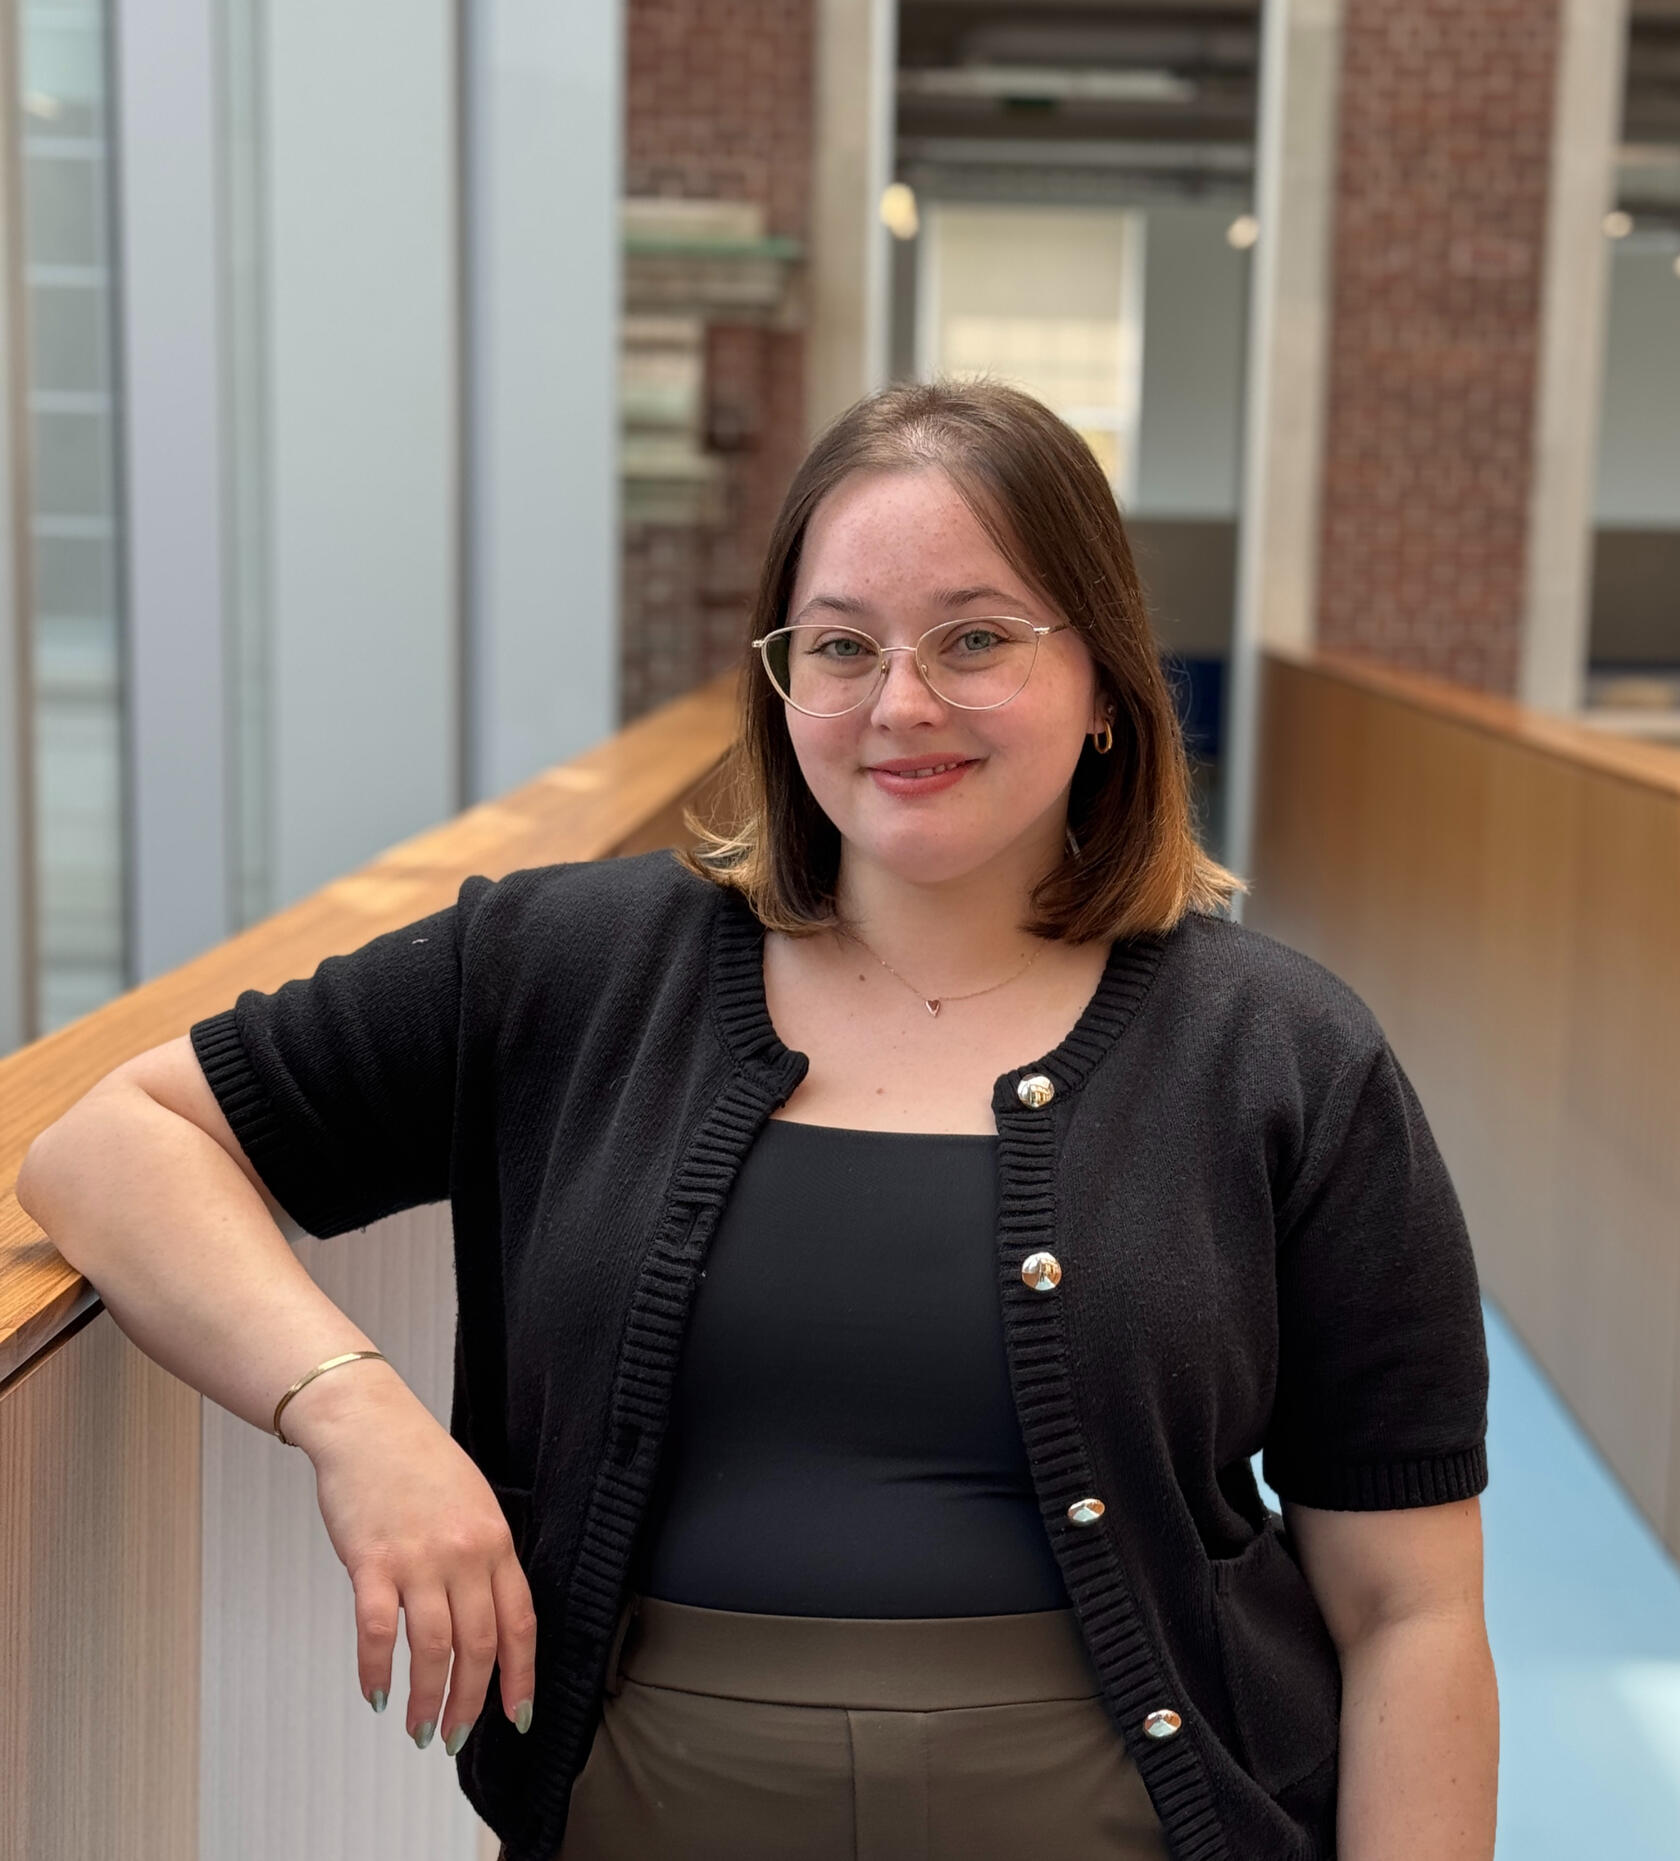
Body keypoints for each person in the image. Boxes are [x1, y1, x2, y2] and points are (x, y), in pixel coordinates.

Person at [18, 379, 1498, 1861]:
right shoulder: (568, 968)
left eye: (976, 636)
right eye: (842, 646)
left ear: (1106, 679)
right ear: (781, 682)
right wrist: (356, 1413)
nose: (902, 702)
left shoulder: (1285, 1053)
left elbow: (1410, 1608)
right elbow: (107, 1144)